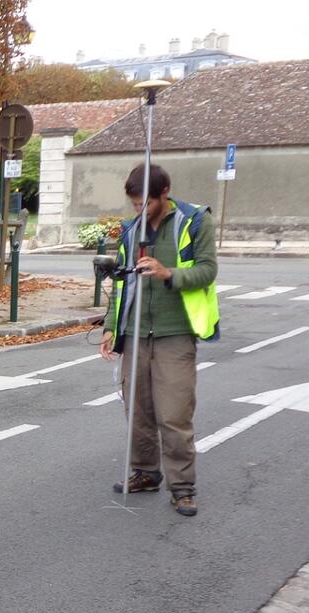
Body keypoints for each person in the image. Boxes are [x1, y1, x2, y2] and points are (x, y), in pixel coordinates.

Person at [100, 164, 219, 517]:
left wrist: (169, 274)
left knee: (174, 414)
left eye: (145, 204)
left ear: (164, 192)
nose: (140, 211)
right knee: (137, 410)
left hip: (175, 332)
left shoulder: (194, 221)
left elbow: (208, 270)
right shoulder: (130, 231)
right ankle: (146, 473)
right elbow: (122, 284)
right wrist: (110, 326)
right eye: (135, 205)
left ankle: (182, 487)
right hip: (136, 332)